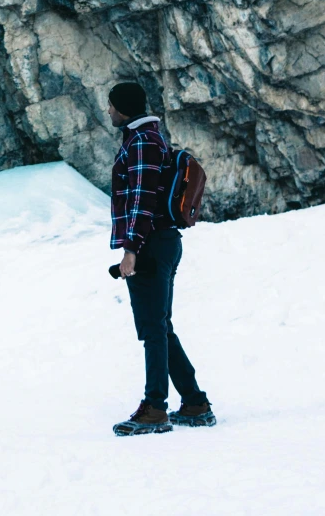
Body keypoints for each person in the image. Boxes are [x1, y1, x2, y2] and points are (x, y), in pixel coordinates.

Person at [106, 79, 216, 435]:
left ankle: (155, 407)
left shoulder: (141, 143)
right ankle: (195, 402)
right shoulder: (150, 139)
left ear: (122, 108)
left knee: (153, 329)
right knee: (159, 326)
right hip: (162, 241)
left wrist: (131, 250)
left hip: (151, 243)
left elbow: (142, 200)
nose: (108, 111)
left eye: (111, 105)